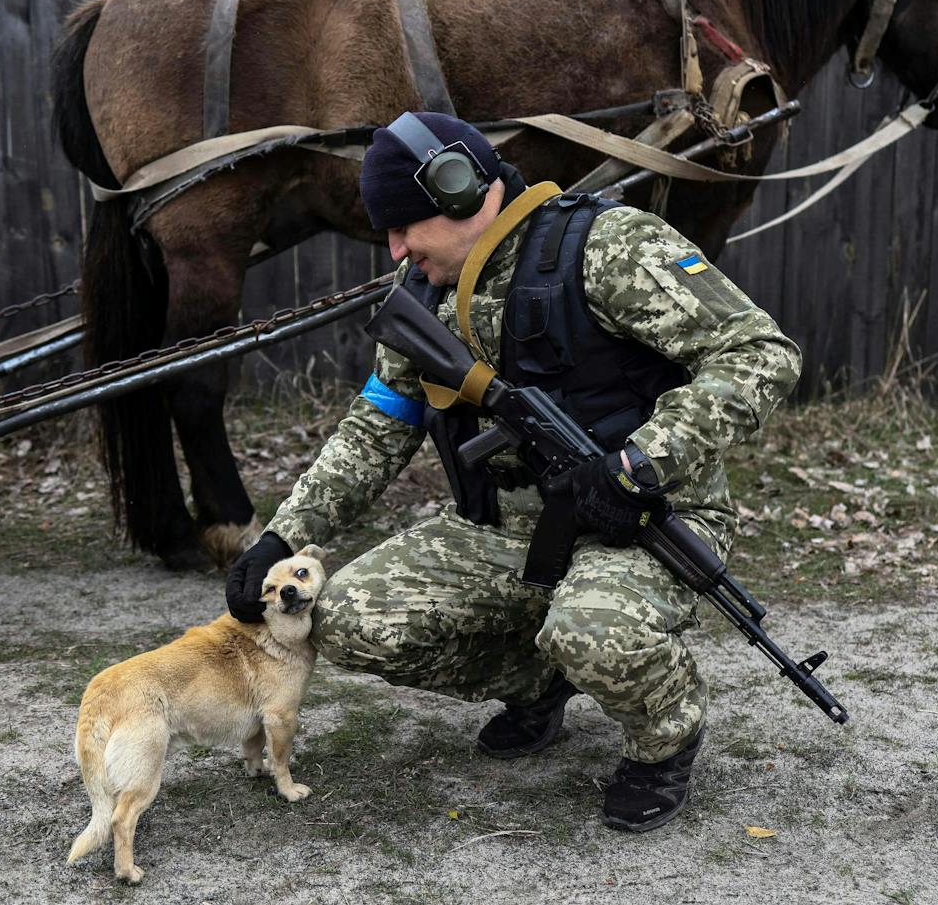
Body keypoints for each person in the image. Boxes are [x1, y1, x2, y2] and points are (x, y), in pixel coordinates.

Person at [226, 110, 801, 832]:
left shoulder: (608, 245)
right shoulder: (424, 293)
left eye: (406, 225)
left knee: (594, 628)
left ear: (464, 191)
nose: (397, 247)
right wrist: (284, 537)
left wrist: (644, 460)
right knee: (342, 619)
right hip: (501, 529)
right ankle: (539, 679)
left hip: (644, 519)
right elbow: (379, 424)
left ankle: (666, 735)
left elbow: (761, 352)